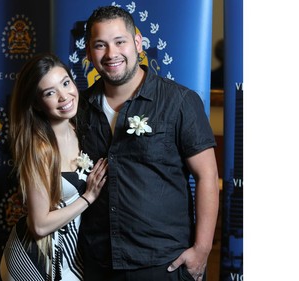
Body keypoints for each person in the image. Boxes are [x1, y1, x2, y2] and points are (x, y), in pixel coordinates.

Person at [76, 6, 219, 281]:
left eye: (120, 42)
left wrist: (202, 249)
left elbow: (207, 176)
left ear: (138, 43)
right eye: (100, 45)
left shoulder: (179, 102)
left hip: (163, 262)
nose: (111, 54)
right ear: (89, 53)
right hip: (98, 261)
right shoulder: (80, 108)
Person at [0, 53, 108, 281]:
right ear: (37, 105)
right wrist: (88, 198)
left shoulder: (79, 127)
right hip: (38, 259)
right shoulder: (40, 149)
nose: (64, 96)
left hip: (73, 252)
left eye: (66, 83)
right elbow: (38, 226)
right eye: (50, 93)